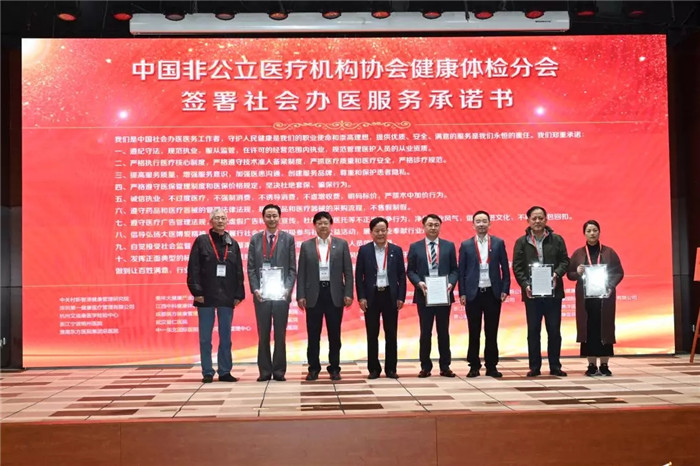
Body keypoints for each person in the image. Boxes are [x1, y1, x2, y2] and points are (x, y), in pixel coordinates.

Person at [187, 208, 245, 383]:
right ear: (211, 221)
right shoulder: (202, 241)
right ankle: (207, 371)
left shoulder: (232, 244)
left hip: (227, 296)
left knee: (225, 337)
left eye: (223, 218)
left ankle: (225, 371)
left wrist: (238, 293)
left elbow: (238, 271)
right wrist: (196, 292)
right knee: (205, 337)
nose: (220, 221)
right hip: (205, 296)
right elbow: (193, 268)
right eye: (217, 218)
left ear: (227, 221)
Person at [512, 206, 569, 377]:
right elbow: (517, 267)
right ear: (528, 220)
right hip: (532, 294)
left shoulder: (557, 239)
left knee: (554, 330)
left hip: (553, 293)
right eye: (534, 218)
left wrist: (556, 274)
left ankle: (555, 365)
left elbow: (565, 261)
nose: (537, 221)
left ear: (546, 219)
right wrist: (525, 285)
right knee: (533, 331)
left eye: (540, 218)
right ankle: (534, 367)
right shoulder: (521, 242)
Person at [297, 211, 353, 381]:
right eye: (319, 223)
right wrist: (301, 295)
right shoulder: (306, 246)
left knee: (334, 335)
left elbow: (348, 272)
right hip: (313, 295)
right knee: (313, 334)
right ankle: (313, 368)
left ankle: (334, 368)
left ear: (331, 225)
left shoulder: (341, 244)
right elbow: (301, 273)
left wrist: (348, 293)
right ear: (315, 225)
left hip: (334, 294)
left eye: (326, 223)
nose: (323, 226)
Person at [566, 220, 624, 376]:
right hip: (585, 300)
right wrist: (577, 272)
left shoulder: (609, 252)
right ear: (584, 234)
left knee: (604, 328)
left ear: (599, 232)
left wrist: (610, 285)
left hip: (604, 298)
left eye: (595, 230)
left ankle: (604, 364)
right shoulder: (578, 253)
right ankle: (591, 365)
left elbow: (619, 272)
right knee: (589, 329)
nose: (592, 233)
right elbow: (569, 274)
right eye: (589, 231)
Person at [458, 210, 511, 378]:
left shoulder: (498, 243)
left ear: (489, 224)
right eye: (478, 221)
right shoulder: (466, 245)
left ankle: (491, 365)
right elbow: (461, 271)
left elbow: (505, 268)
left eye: (484, 221)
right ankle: (474, 365)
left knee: (491, 331)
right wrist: (462, 293)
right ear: (473, 225)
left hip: (492, 293)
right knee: (473, 331)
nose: (481, 224)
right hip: (473, 294)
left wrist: (505, 289)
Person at [247, 204, 296, 382]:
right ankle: (265, 371)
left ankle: (279, 371)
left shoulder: (288, 239)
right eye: (268, 216)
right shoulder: (255, 239)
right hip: (262, 296)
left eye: (275, 215)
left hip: (281, 296)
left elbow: (292, 269)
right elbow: (251, 268)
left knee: (280, 334)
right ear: (263, 218)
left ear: (279, 217)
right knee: (263, 334)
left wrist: (287, 290)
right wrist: (255, 289)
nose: (272, 219)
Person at [407, 214, 459, 378]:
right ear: (424, 227)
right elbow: (410, 271)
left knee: (443, 331)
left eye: (436, 225)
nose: (433, 228)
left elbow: (454, 270)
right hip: (425, 294)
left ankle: (445, 366)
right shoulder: (415, 247)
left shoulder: (448, 246)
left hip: (444, 294)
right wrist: (419, 283)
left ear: (440, 226)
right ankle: (425, 366)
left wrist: (451, 283)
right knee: (425, 332)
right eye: (430, 225)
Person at [356, 217, 407, 379]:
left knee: (391, 334)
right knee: (372, 334)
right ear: (371, 232)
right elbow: (359, 276)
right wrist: (361, 297)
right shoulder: (364, 250)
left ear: (387, 231)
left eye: (383, 230)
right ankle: (374, 369)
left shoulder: (396, 250)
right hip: (371, 297)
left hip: (390, 295)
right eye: (377, 231)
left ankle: (391, 369)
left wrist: (401, 296)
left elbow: (402, 275)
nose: (380, 233)